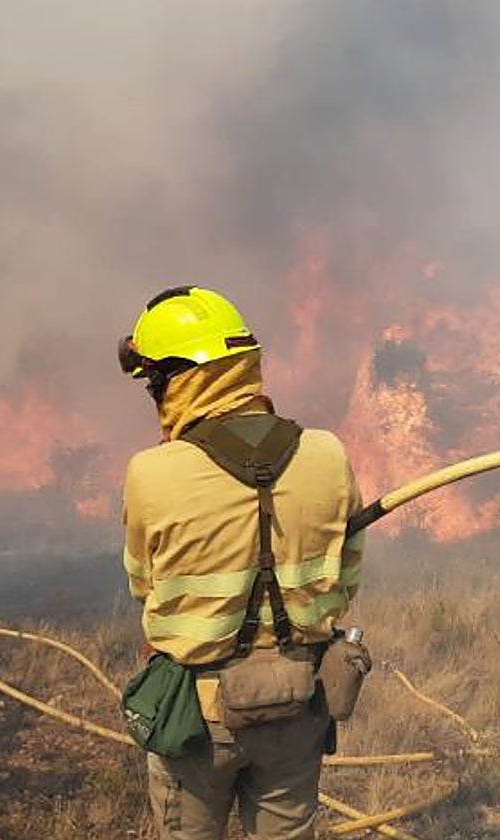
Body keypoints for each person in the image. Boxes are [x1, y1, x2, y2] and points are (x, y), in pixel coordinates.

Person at [118, 286, 364, 840]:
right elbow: (346, 578)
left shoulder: (151, 473)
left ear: (176, 380)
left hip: (197, 721)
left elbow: (145, 586)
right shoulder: (328, 452)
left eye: (155, 381)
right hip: (299, 705)